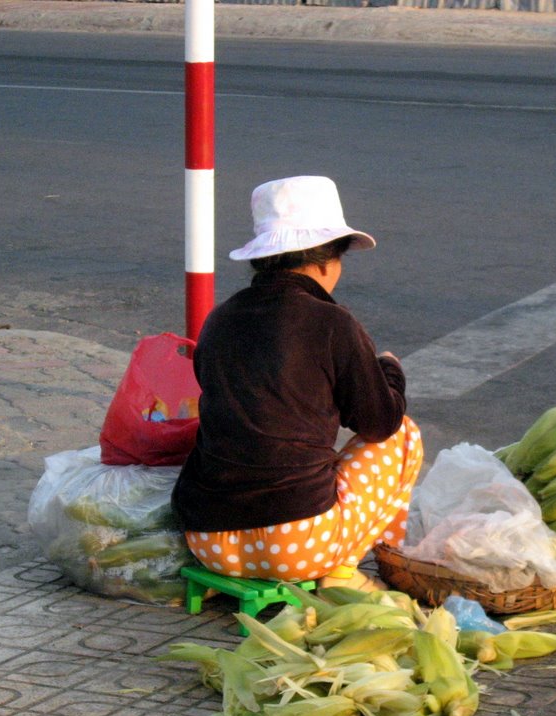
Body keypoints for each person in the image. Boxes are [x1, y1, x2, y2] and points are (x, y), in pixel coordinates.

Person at [172, 175, 423, 590]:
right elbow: (380, 422)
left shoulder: (217, 320)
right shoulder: (331, 322)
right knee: (404, 438)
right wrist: (390, 371)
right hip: (295, 548)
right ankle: (343, 572)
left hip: (207, 539)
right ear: (327, 262)